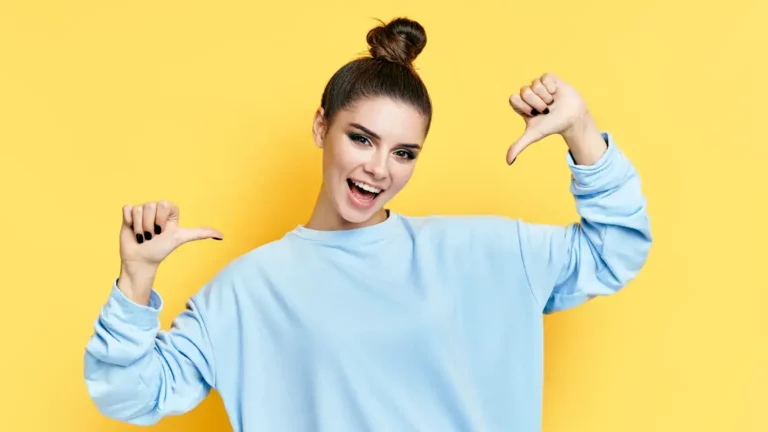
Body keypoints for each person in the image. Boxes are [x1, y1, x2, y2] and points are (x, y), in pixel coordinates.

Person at [84, 17, 652, 432]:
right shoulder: (246, 291)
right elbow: (131, 395)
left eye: (405, 153)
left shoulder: (481, 251)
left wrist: (580, 129)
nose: (379, 169)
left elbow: (615, 251)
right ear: (320, 127)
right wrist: (136, 280)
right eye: (362, 139)